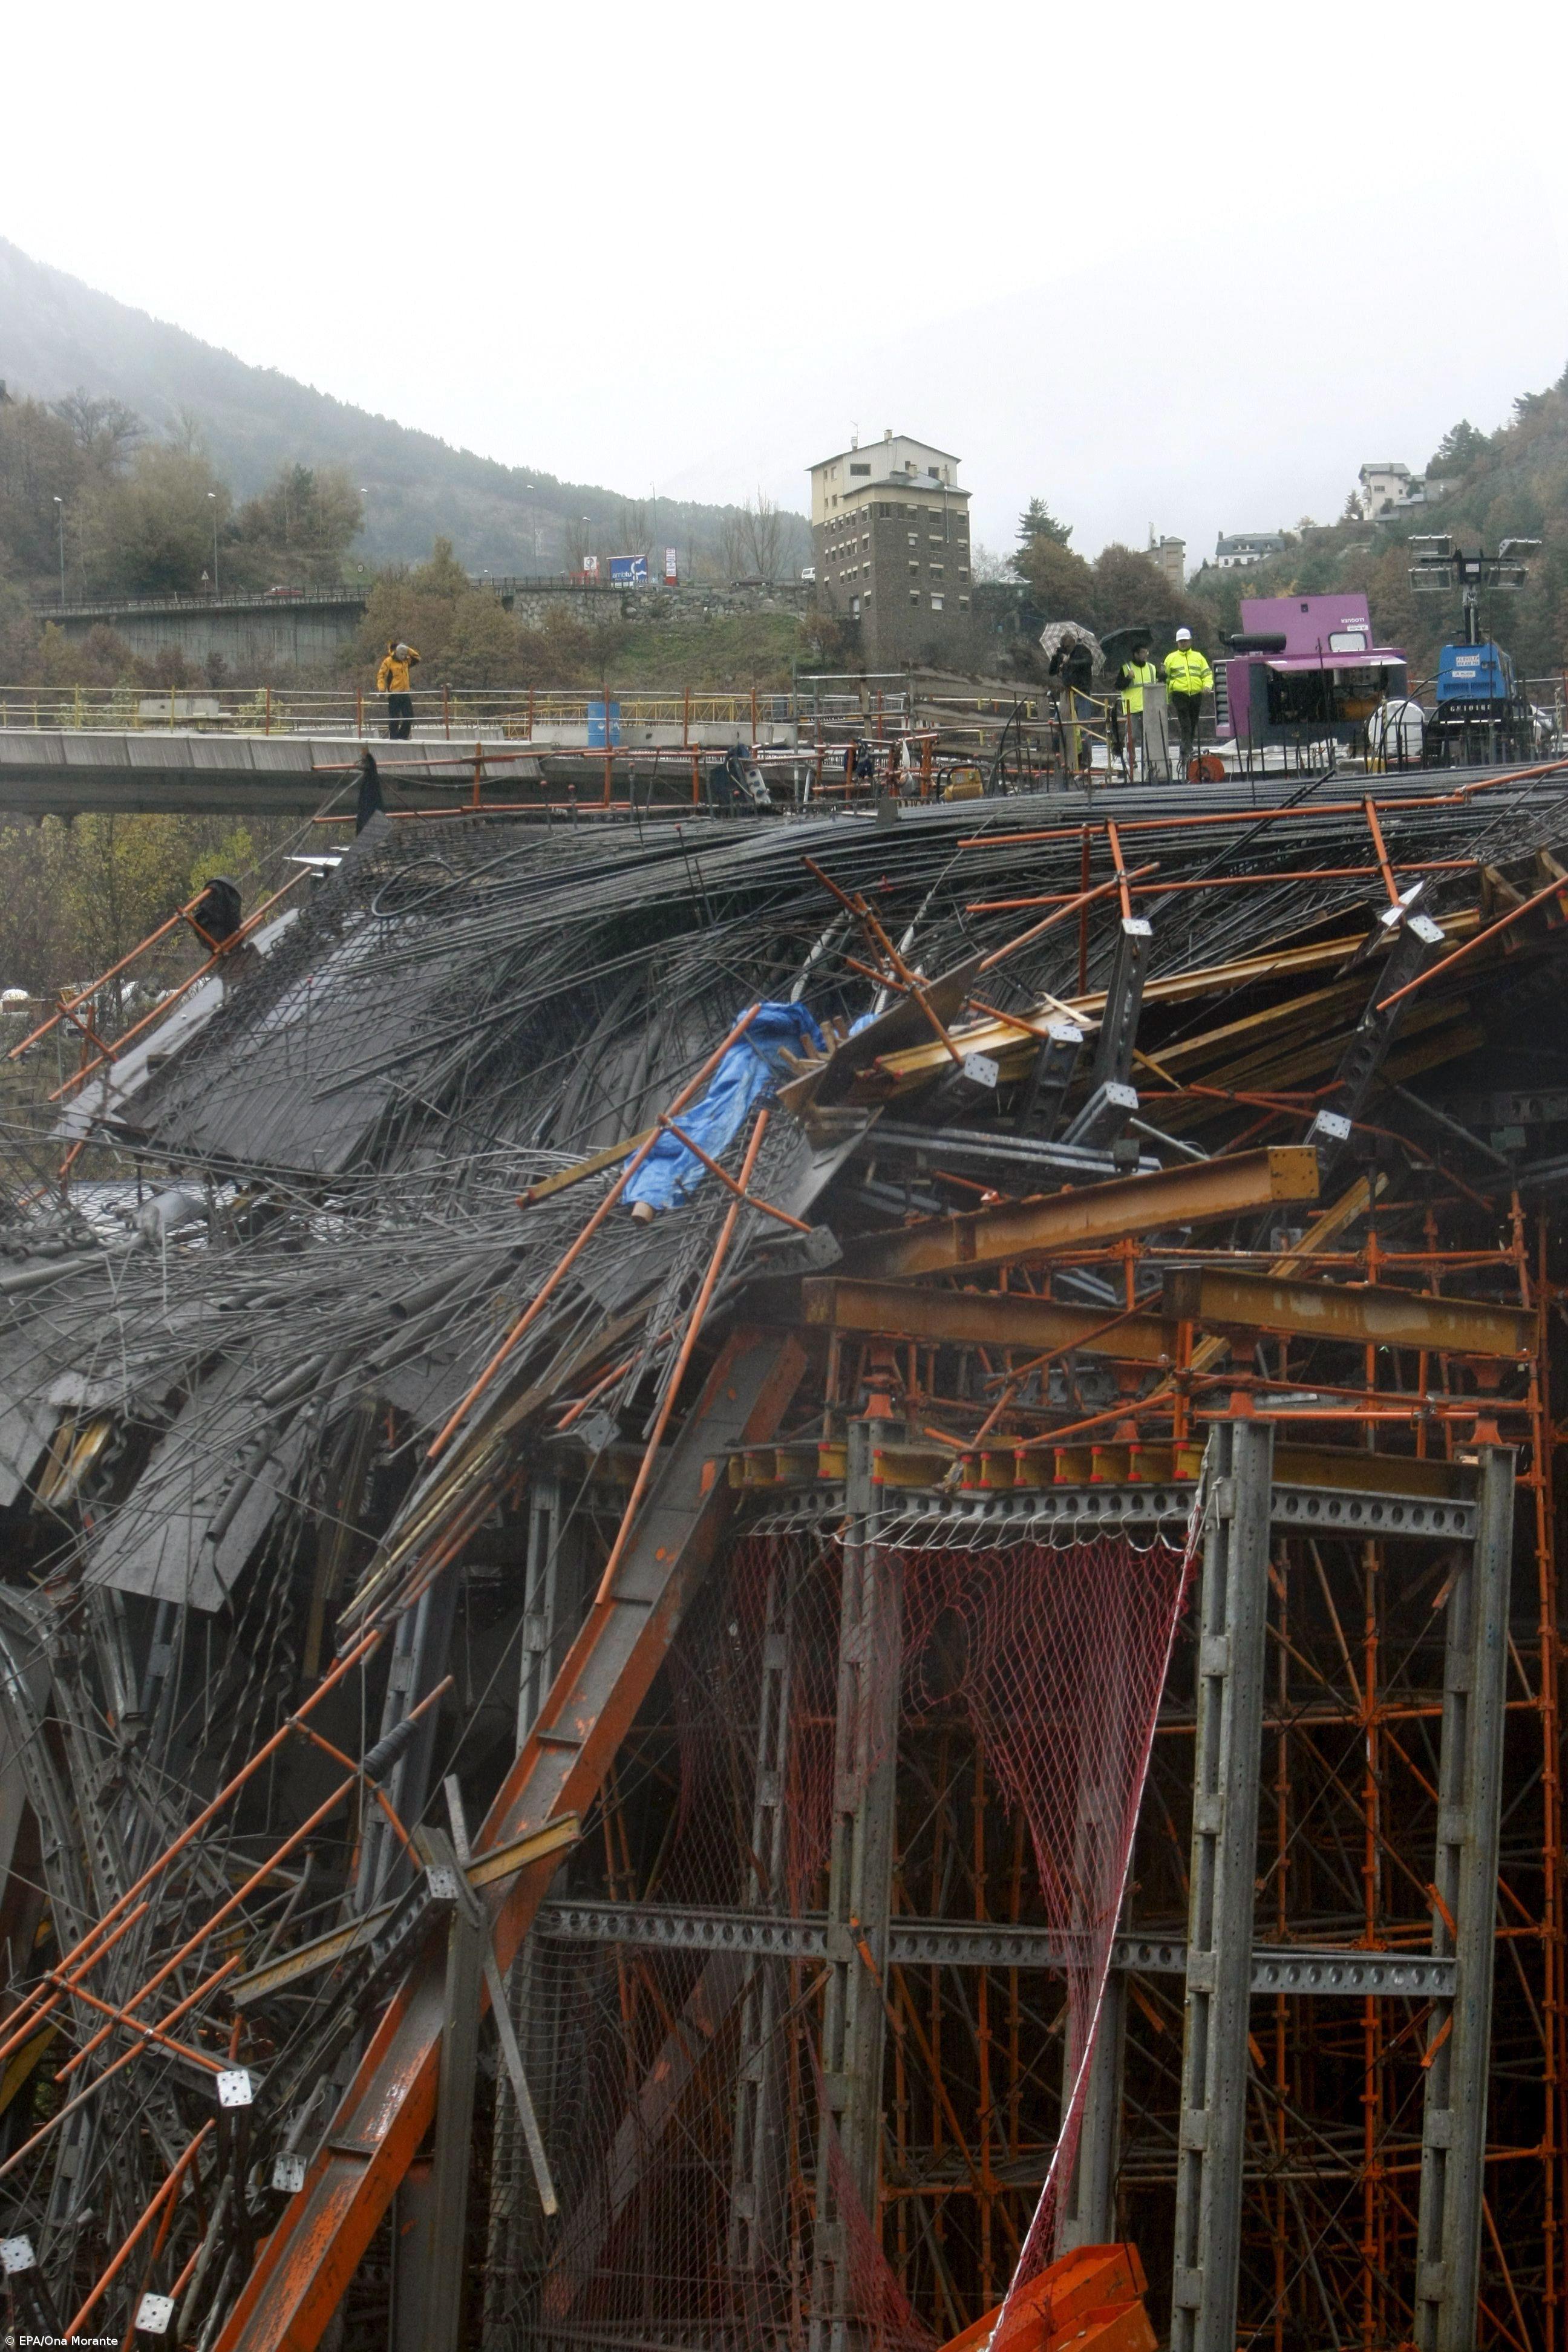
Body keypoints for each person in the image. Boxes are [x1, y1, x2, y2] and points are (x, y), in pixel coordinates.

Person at [1163, 628, 1214, 774]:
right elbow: (1166, 681)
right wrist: (1166, 700)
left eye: (1185, 641)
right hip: (1179, 694)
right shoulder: (1171, 658)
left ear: (1190, 641)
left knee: (1192, 723)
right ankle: (1186, 751)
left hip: (1196, 695)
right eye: (1181, 642)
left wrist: (1207, 686)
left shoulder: (1198, 657)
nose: (1183, 643)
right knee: (1185, 723)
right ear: (1177, 643)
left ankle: (1186, 749)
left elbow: (1207, 674)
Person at [1047, 630, 1095, 771]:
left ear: (1074, 643)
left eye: (1068, 646)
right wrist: (1057, 657)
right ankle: (1057, 754)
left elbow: (1088, 662)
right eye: (1064, 646)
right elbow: (1051, 671)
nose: (1066, 648)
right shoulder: (1062, 654)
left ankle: (1086, 759)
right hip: (1068, 693)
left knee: (1084, 726)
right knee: (1058, 723)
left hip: (1082, 692)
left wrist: (1070, 662)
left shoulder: (1083, 651)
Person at [1113, 639, 1157, 779]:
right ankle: (1132, 759)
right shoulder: (1126, 668)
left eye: (1146, 652)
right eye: (1143, 653)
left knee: (1148, 735)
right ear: (1136, 654)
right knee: (1132, 736)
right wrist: (1128, 678)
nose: (1146, 655)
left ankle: (1147, 758)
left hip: (1148, 706)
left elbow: (1156, 684)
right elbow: (1118, 686)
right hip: (1132, 707)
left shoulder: (1151, 667)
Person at [376, 640, 421, 740]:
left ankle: (403, 737)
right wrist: (382, 690)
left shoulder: (406, 661)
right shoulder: (388, 661)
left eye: (405, 655)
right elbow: (381, 675)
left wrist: (407, 649)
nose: (404, 656)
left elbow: (417, 658)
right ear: (397, 653)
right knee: (394, 719)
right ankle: (394, 738)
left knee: (409, 717)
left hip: (405, 693)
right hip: (394, 694)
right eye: (402, 654)